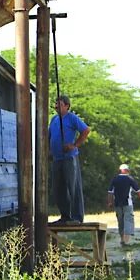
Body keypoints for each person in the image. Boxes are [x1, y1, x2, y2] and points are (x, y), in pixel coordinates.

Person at [49, 95, 90, 224]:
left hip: (69, 157)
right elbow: (49, 135)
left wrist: (74, 145)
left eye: (59, 104)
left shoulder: (72, 118)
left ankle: (77, 217)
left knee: (73, 186)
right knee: (58, 188)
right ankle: (65, 216)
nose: (56, 107)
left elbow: (85, 130)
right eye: (56, 104)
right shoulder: (54, 119)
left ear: (67, 106)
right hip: (57, 158)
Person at [107, 164, 140, 246]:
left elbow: (110, 192)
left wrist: (110, 202)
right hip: (127, 203)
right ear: (126, 170)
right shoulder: (130, 179)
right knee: (128, 221)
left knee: (120, 221)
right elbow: (138, 191)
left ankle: (122, 239)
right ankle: (126, 241)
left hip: (117, 203)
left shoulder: (114, 179)